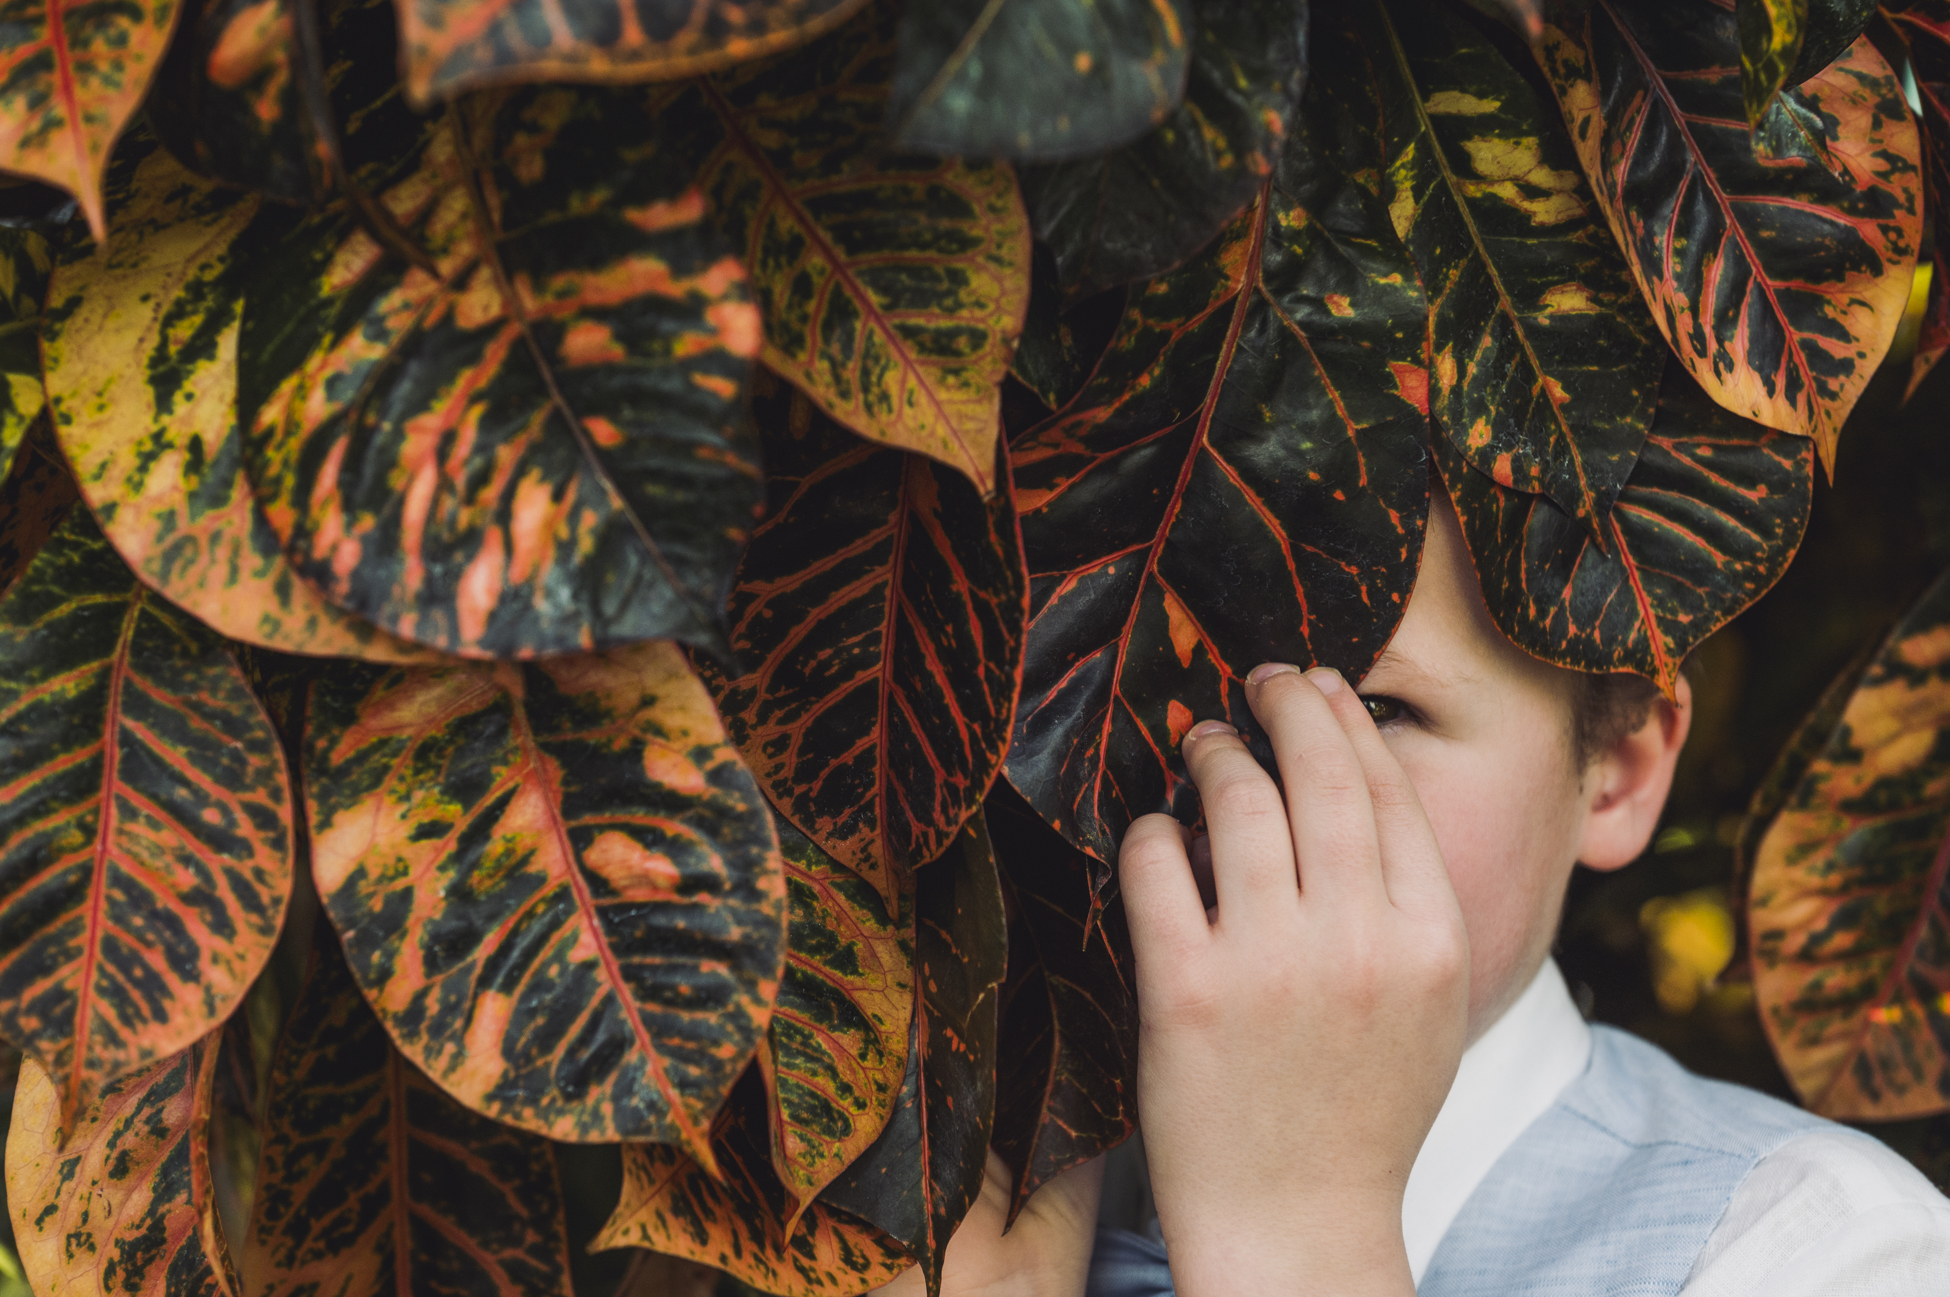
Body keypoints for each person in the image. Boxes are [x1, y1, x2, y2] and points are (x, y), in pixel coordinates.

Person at [876, 497, 1950, 1297]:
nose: (1228, 786)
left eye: (1376, 709)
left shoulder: (1813, 1247)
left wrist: (1298, 1234)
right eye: (1140, 683)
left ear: (1616, 768)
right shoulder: (927, 1172)